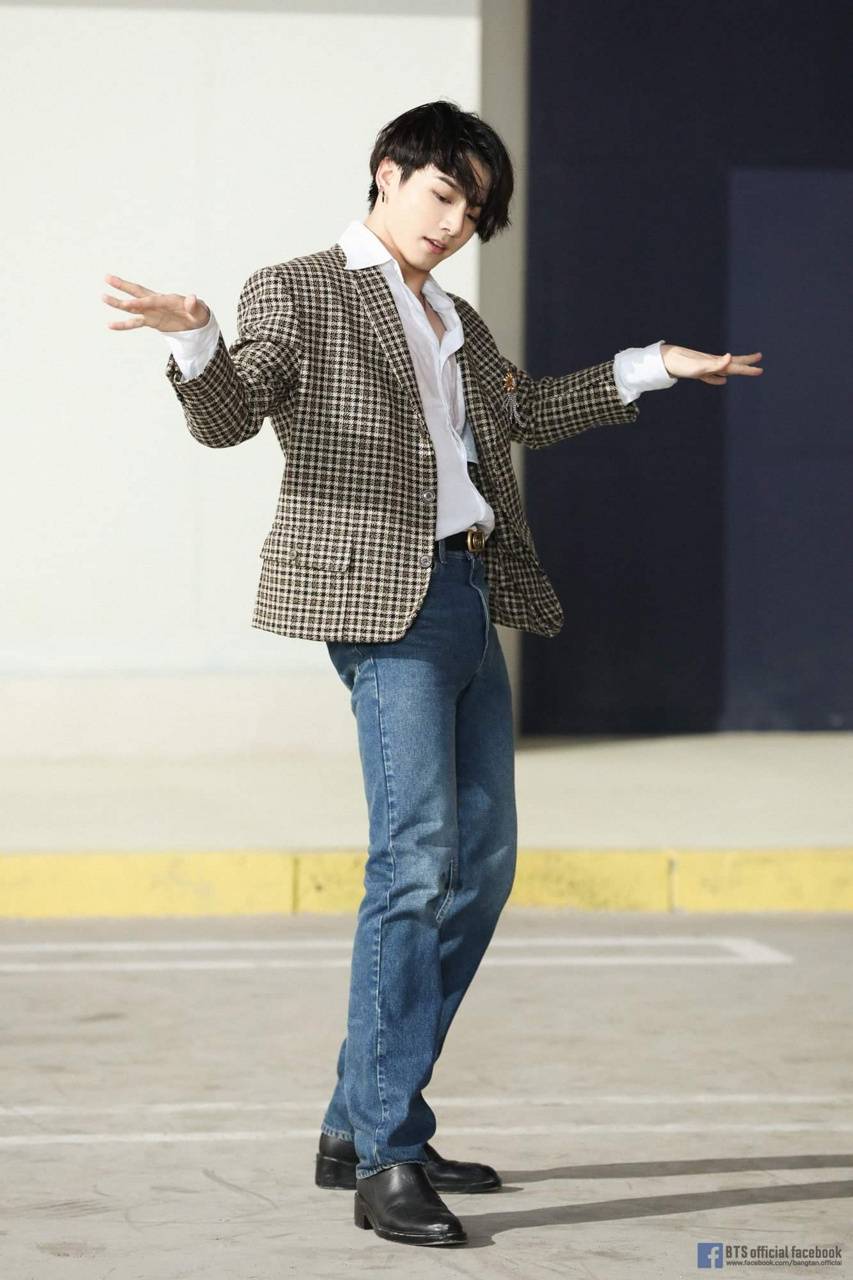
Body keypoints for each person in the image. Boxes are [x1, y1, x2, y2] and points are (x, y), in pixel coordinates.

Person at [102, 99, 763, 1249]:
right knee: (413, 862)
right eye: (443, 193)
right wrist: (196, 338)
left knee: (482, 865)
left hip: (467, 589)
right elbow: (232, 413)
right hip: (379, 601)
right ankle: (387, 1156)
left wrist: (649, 365)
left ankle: (357, 1116)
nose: (454, 222)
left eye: (473, 210)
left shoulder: (454, 316)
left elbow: (522, 414)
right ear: (386, 173)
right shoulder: (300, 287)